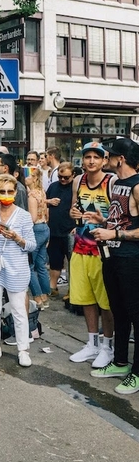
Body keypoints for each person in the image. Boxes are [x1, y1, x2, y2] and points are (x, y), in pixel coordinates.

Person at [90, 138, 139, 394]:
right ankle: (120, 362)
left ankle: (137, 373)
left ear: (121, 159)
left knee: (135, 315)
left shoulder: (138, 186)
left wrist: (116, 235)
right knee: (118, 311)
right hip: (112, 258)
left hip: (132, 260)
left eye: (109, 156)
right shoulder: (118, 183)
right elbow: (121, 218)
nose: (105, 159)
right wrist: (103, 220)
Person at [0, 174, 37, 367]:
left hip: (17, 267)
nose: (6, 195)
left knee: (19, 310)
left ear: (15, 192)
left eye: (10, 191)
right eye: (2, 191)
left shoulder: (24, 215)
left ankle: (23, 349)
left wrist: (17, 238)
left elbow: (32, 245)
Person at [67, 142, 115, 368]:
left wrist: (102, 221)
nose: (92, 161)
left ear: (105, 160)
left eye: (97, 157)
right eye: (88, 157)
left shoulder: (112, 182)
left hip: (103, 250)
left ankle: (108, 346)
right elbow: (72, 211)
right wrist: (74, 214)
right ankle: (92, 343)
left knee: (105, 301)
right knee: (85, 298)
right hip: (81, 246)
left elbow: (120, 220)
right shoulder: (78, 180)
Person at [46, 162, 75, 299]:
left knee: (72, 262)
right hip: (54, 229)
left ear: (73, 175)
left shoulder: (76, 188)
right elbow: (43, 200)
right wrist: (49, 201)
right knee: (54, 261)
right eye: (60, 177)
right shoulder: (53, 186)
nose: (63, 180)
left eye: (66, 177)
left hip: (70, 229)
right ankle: (53, 287)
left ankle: (72, 289)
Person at [25, 167, 51, 310]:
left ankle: (37, 297)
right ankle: (46, 296)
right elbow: (47, 214)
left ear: (34, 178)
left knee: (30, 266)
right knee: (41, 265)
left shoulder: (32, 196)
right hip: (45, 228)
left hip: (36, 230)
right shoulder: (42, 192)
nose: (25, 178)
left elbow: (33, 218)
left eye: (27, 176)